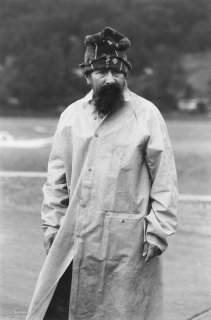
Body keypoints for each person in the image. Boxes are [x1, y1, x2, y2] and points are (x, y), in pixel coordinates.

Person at [26, 27, 178, 320]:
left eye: (117, 72)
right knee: (62, 308)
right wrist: (51, 226)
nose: (110, 79)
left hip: (129, 238)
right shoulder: (71, 116)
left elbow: (165, 179)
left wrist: (158, 231)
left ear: (126, 75)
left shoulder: (147, 115)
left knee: (122, 309)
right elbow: (56, 179)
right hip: (74, 234)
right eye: (101, 72)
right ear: (87, 76)